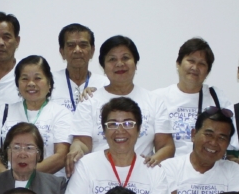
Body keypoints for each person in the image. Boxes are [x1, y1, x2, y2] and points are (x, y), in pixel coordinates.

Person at [68, 35, 169, 172]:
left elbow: (166, 146)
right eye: (112, 59)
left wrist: (152, 162)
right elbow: (81, 142)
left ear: (136, 63)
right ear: (103, 67)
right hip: (100, 174)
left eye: (126, 58)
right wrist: (76, 150)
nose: (119, 64)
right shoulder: (89, 101)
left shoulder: (154, 101)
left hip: (141, 174)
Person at [0, 55, 74, 177]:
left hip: (47, 183)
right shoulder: (4, 111)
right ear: (17, 84)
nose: (31, 83)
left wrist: (25, 177)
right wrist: (8, 177)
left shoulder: (61, 113)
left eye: (37, 78)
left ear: (49, 84)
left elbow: (61, 156)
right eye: (25, 79)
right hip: (9, 184)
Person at [154, 37, 232, 158]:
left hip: (211, 171)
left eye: (202, 64)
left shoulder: (217, 97)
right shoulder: (158, 98)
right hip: (171, 171)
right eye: (191, 61)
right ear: (178, 63)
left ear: (207, 72)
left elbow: (228, 139)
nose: (195, 67)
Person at [50, 23, 109, 113]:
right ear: (62, 52)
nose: (77, 50)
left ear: (92, 51)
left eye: (83, 45)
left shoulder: (104, 84)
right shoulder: (49, 81)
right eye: (71, 45)